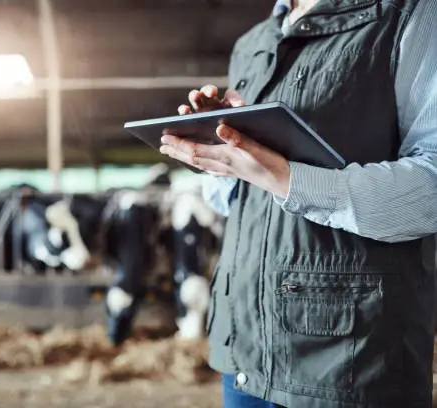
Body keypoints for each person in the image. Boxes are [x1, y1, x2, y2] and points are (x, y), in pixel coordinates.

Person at [159, 0, 437, 407]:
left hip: (349, 358)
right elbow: (232, 203)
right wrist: (222, 149)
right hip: (243, 346)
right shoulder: (253, 42)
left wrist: (288, 178)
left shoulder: (410, 14)